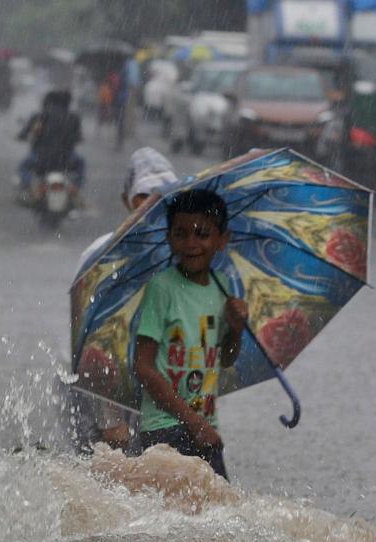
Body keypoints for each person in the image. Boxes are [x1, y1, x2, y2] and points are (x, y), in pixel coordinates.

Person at [71, 147, 180, 452]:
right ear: (126, 201)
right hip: (112, 392)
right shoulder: (101, 258)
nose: (153, 203)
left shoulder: (189, 257)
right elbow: (92, 343)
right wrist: (110, 420)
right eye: (144, 195)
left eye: (164, 194)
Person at [133, 189, 247, 479]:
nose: (191, 243)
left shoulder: (222, 287)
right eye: (181, 234)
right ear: (169, 238)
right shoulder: (162, 288)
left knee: (221, 512)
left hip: (203, 425)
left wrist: (236, 329)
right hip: (164, 427)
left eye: (202, 233)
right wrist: (192, 421)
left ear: (222, 240)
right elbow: (143, 367)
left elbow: (226, 359)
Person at [17, 90, 85, 200]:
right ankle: (75, 188)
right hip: (66, 159)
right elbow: (78, 137)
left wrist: (23, 136)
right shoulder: (73, 118)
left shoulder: (40, 116)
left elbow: (25, 133)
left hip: (41, 159)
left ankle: (28, 188)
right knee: (81, 163)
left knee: (24, 166)